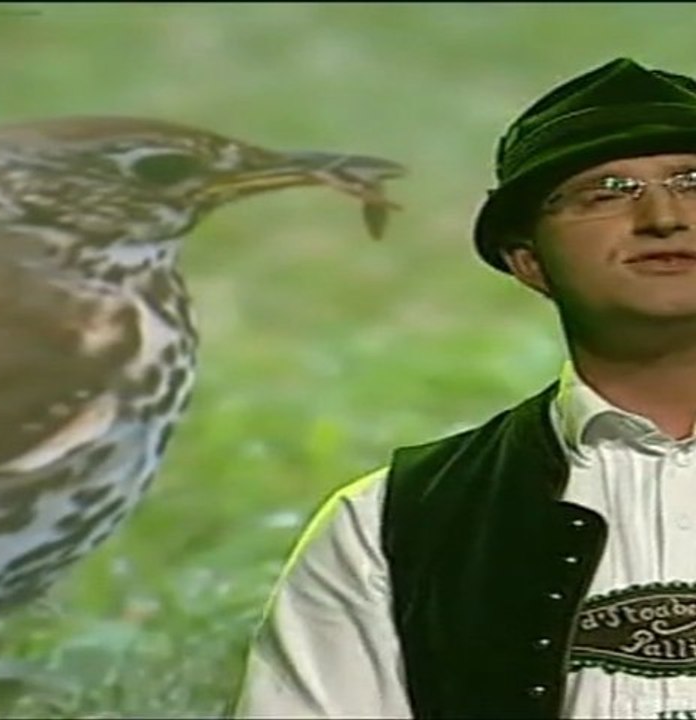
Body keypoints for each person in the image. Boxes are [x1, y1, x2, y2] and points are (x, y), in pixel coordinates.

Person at [232, 57, 696, 720]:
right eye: (606, 192)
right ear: (529, 261)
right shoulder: (393, 525)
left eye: (693, 182)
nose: (664, 216)